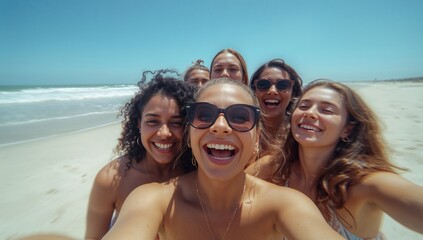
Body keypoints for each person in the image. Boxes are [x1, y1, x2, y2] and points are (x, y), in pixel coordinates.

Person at [103, 78, 344, 240]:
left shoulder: (284, 204)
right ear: (189, 135)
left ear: (257, 138)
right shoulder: (153, 199)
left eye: (240, 116)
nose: (220, 126)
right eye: (204, 114)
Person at [248, 79, 423, 239]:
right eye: (304, 106)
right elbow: (226, 187)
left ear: (347, 129)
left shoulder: (364, 183)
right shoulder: (276, 166)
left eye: (326, 110)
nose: (310, 113)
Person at [85, 70, 196, 239]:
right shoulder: (111, 179)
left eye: (176, 123)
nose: (164, 133)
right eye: (152, 121)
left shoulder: (197, 172)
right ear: (138, 123)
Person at [249, 58, 303, 154]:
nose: (272, 91)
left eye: (283, 85)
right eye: (263, 84)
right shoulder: (242, 130)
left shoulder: (300, 136)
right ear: (254, 92)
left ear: (293, 94)